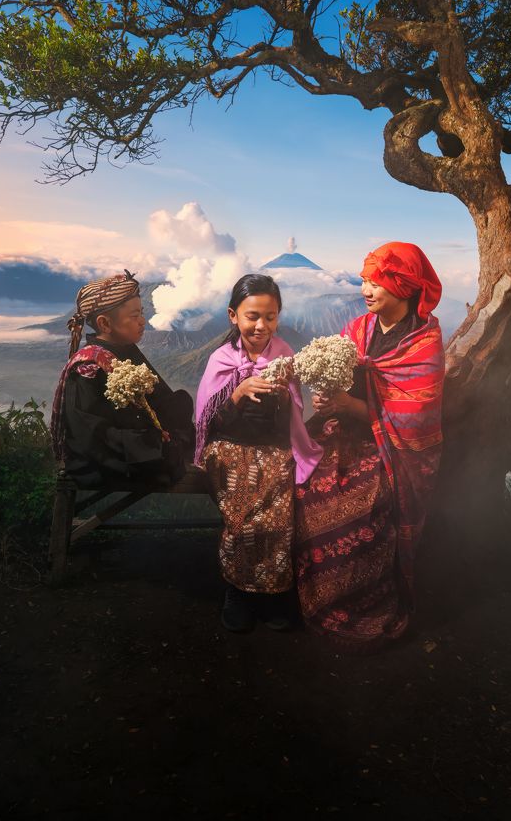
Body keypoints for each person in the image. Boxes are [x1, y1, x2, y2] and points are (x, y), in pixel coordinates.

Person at [294, 242, 445, 646]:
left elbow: (412, 417)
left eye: (376, 282)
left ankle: (364, 603)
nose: (365, 289)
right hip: (342, 432)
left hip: (391, 450)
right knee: (300, 482)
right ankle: (312, 596)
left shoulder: (423, 343)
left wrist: (349, 405)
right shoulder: (359, 329)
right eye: (364, 280)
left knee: (362, 502)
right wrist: (329, 399)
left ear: (403, 286)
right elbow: (340, 380)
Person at [195, 274, 322, 633]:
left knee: (277, 519)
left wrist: (281, 396)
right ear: (233, 316)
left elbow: (291, 419)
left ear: (278, 316)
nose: (261, 325)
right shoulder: (221, 359)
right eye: (252, 316)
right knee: (243, 515)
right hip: (227, 448)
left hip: (272, 448)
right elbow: (208, 423)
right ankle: (238, 590)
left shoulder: (285, 356)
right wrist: (237, 393)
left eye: (270, 316)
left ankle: (273, 593)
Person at [51, 271, 194, 488]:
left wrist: (162, 431)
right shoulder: (88, 367)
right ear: (105, 324)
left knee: (180, 401)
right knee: (164, 460)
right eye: (134, 316)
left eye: (141, 313)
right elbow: (92, 435)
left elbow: (158, 397)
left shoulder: (127, 350)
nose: (142, 322)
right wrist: (153, 442)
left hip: (139, 438)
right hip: (104, 458)